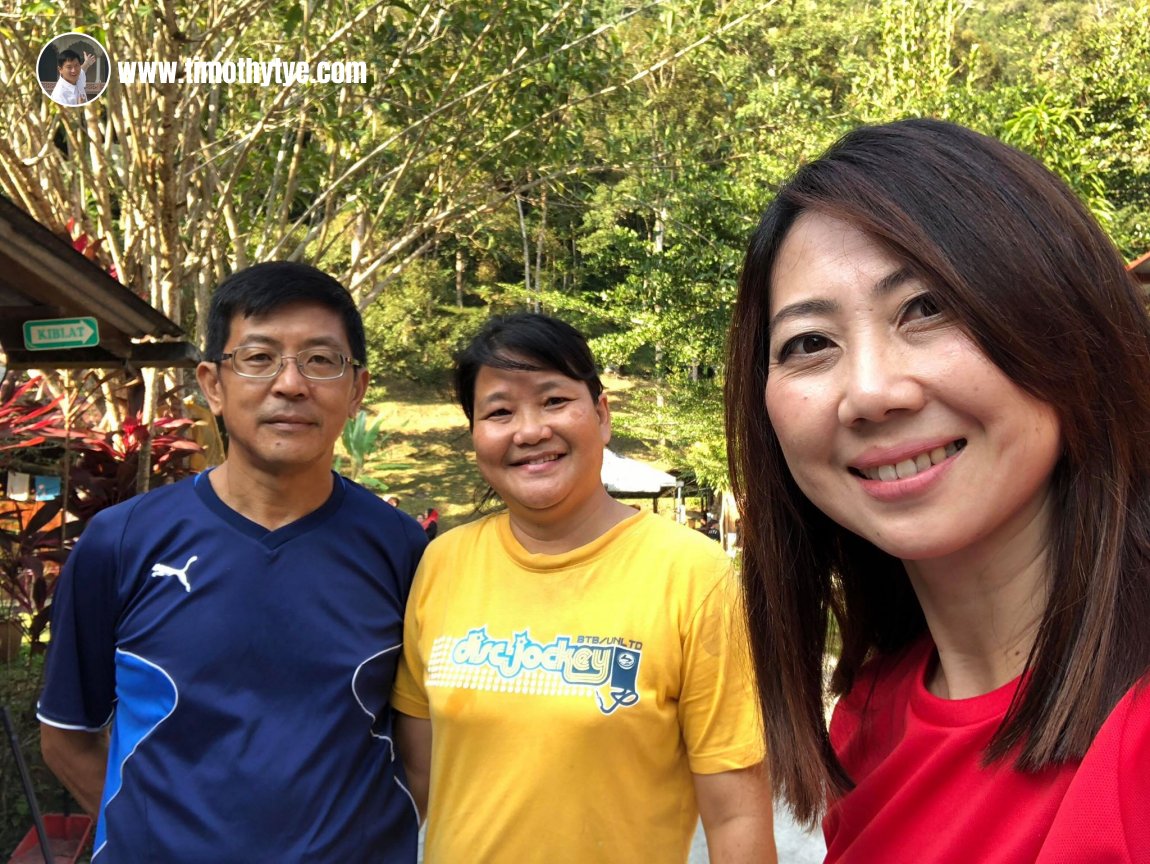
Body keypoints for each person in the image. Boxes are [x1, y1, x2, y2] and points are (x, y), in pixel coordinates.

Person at [725, 118, 1150, 862]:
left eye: (927, 307)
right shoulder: (869, 713)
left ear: (1064, 320)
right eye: (809, 344)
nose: (870, 392)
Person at [38, 261, 428, 862]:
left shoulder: (405, 551)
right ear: (212, 384)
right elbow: (67, 736)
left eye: (321, 360)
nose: (291, 385)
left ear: (357, 389)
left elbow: (423, 750)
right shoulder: (120, 542)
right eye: (259, 357)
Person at [392, 313, 775, 863]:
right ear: (475, 435)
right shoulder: (442, 563)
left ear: (600, 415)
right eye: (499, 411)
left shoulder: (693, 573)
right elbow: (416, 776)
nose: (529, 431)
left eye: (553, 401)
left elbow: (735, 811)